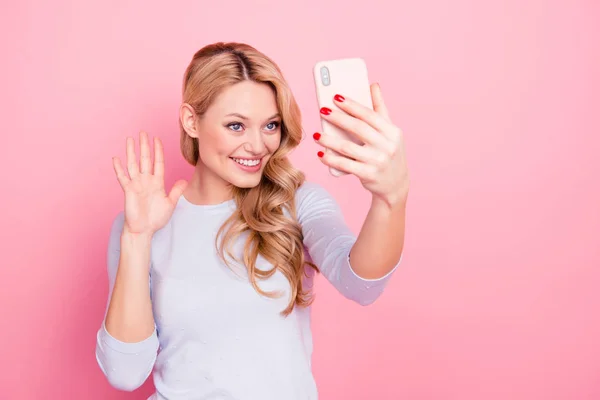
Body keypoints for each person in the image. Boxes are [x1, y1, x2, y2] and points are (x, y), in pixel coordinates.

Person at [95, 42, 409, 400]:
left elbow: (361, 285)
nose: (258, 145)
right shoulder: (138, 226)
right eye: (236, 126)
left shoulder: (297, 203)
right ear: (191, 121)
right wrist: (138, 237)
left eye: (270, 125)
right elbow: (125, 373)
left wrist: (390, 198)